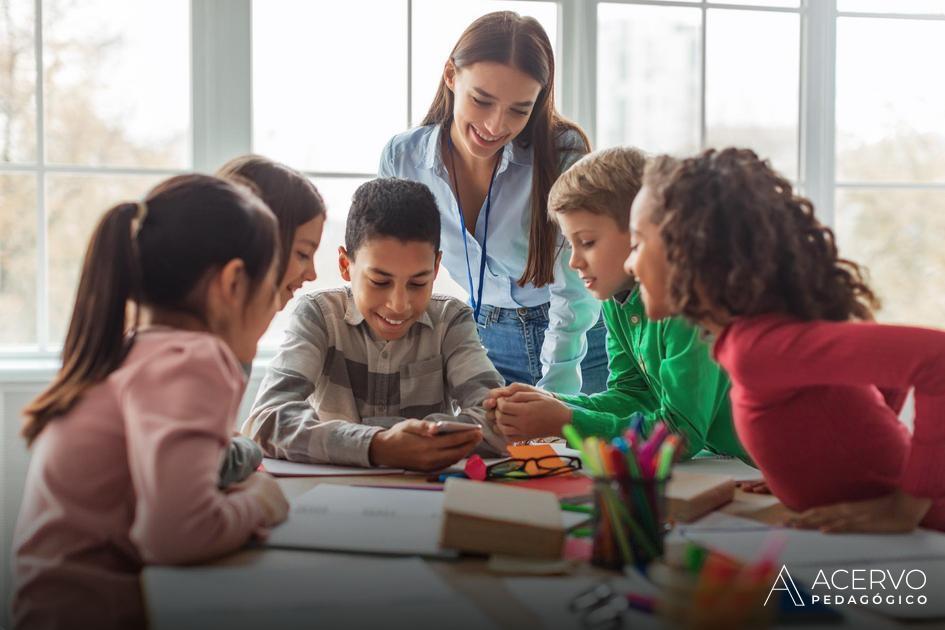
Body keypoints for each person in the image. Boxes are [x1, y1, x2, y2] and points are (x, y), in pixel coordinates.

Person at [13, 175, 290, 629]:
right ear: (234, 282)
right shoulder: (191, 359)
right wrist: (262, 501)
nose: (275, 306)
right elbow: (177, 535)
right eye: (273, 287)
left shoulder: (138, 349)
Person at [628, 147, 945, 533]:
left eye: (637, 244)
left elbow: (937, 360)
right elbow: (868, 351)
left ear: (691, 254)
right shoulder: (752, 338)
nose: (630, 264)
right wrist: (811, 470)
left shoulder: (756, 349)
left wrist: (904, 507)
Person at [379, 11, 607, 395]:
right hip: (488, 338)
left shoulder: (563, 152)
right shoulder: (403, 160)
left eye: (519, 109)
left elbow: (575, 289)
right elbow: (389, 271)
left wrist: (557, 393)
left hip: (582, 342)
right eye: (482, 100)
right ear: (451, 76)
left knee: (585, 456)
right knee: (499, 456)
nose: (495, 125)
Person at [486, 147, 750, 462]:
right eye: (570, 244)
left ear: (641, 232)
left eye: (587, 242)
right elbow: (633, 397)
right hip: (735, 464)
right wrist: (552, 403)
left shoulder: (688, 308)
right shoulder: (616, 301)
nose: (573, 262)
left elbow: (681, 434)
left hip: (763, 465)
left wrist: (565, 420)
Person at [244, 177, 507, 471]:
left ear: (435, 268)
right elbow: (265, 420)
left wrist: (416, 438)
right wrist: (378, 445)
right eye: (380, 281)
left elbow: (498, 423)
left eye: (418, 282)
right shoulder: (318, 316)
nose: (399, 304)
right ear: (346, 265)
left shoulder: (451, 321)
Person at [215, 154, 327, 486]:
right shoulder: (205, 354)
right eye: (303, 254)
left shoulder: (233, 343)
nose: (312, 273)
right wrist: (247, 448)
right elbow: (217, 462)